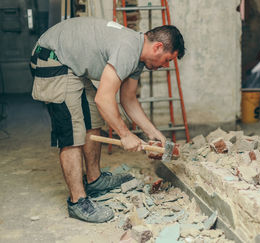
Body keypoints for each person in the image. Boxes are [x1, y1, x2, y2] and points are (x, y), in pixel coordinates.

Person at [30, 17, 185, 223]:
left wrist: (155, 134)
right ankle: (78, 201)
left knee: (93, 118)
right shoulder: (128, 48)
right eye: (167, 59)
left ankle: (94, 180)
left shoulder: (139, 57)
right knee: (73, 132)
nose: (165, 65)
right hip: (53, 58)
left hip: (71, 65)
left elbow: (128, 99)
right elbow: (104, 98)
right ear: (157, 47)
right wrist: (125, 135)